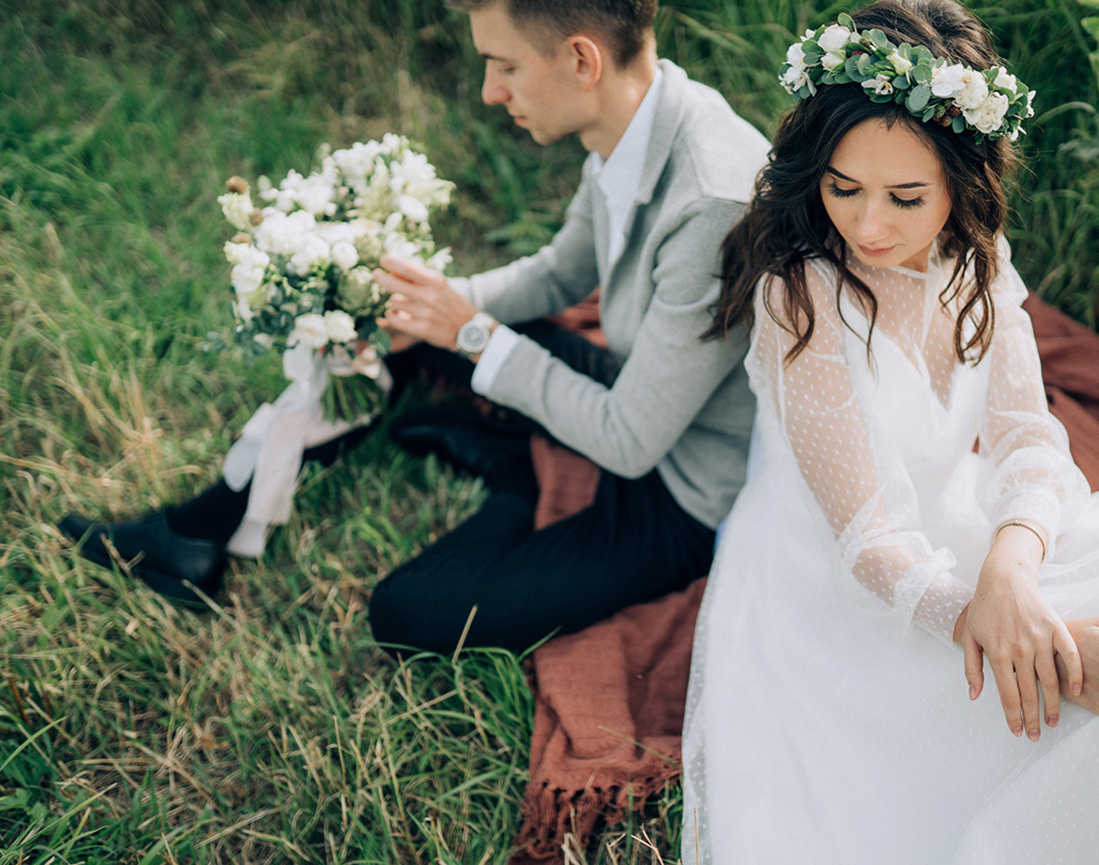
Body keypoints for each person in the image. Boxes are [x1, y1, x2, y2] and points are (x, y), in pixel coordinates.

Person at [680, 1, 1099, 862]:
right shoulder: (800, 296)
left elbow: (1026, 436)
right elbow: (871, 541)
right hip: (844, 590)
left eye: (905, 196)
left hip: (965, 532)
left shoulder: (979, 261)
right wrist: (1052, 651)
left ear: (964, 183)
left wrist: (1011, 566)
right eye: (841, 186)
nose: (869, 224)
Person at [59, 0, 768, 655]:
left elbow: (631, 440)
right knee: (390, 327)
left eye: (506, 65)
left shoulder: (709, 202)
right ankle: (193, 532)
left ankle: (513, 471)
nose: (491, 91)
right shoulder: (632, 120)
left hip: (677, 488)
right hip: (627, 383)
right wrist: (425, 305)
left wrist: (472, 335)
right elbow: (557, 274)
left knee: (410, 611)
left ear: (581, 61)